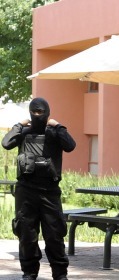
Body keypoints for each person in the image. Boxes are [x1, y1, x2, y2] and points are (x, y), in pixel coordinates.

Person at [2, 97, 76, 280]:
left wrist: (58, 126)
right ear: (29, 113)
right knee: (26, 234)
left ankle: (60, 274)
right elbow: (6, 143)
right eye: (34, 112)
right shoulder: (24, 133)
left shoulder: (54, 133)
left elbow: (71, 145)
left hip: (50, 192)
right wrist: (18, 125)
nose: (37, 115)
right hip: (25, 191)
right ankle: (29, 272)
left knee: (54, 234)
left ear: (47, 113)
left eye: (40, 112)